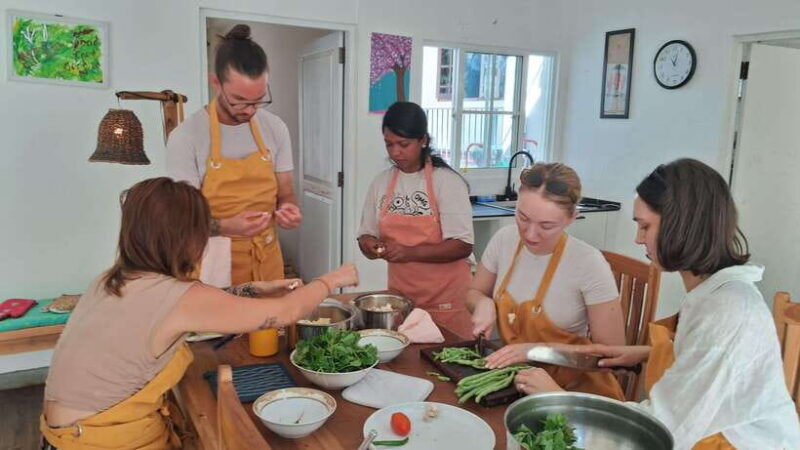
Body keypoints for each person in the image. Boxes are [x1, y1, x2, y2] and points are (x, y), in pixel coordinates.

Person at [40, 178, 357, 449]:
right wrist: (332, 280)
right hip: (103, 440)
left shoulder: (111, 279)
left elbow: (182, 309)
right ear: (185, 239)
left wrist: (249, 290)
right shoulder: (178, 297)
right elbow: (286, 311)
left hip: (63, 435)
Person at [515, 159, 800, 449]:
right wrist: (646, 353)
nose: (638, 239)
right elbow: (706, 363)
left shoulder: (729, 311)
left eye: (645, 227)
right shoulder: (712, 293)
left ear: (682, 227)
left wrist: (558, 401)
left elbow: (662, 429)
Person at [467, 162, 626, 400]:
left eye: (546, 226)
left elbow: (612, 355)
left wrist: (535, 351)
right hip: (514, 383)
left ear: (572, 217)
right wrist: (482, 303)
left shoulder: (589, 264)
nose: (530, 234)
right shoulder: (504, 240)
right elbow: (473, 292)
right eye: (522, 217)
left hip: (572, 393)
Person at [167, 24, 301, 285]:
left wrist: (288, 208)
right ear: (215, 82)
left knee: (268, 324)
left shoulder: (275, 128)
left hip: (266, 257)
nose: (250, 110)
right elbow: (180, 219)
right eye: (240, 100)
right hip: (211, 261)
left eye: (259, 100)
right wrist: (226, 226)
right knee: (220, 326)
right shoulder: (187, 137)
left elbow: (285, 191)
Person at [357, 102, 474, 338]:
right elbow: (365, 234)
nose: (395, 153)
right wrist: (369, 245)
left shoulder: (447, 182)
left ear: (423, 141)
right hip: (401, 301)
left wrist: (409, 252)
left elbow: (463, 245)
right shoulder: (381, 183)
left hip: (446, 302)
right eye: (389, 145)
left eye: (403, 144)